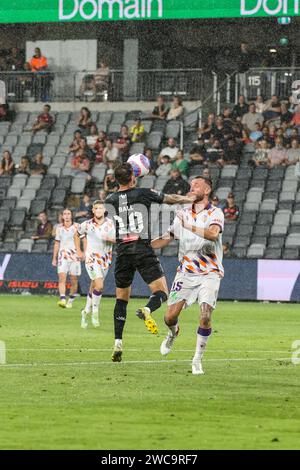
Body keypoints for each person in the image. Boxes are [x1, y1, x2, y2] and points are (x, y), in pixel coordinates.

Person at [105, 163, 197, 362]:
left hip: (122, 252)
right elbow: (170, 199)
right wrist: (190, 199)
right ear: (133, 177)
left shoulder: (108, 200)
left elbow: (120, 200)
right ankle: (147, 309)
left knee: (121, 300)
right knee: (162, 292)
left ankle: (118, 342)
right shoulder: (143, 193)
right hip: (142, 248)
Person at [151, 176, 224, 375]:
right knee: (169, 316)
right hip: (186, 272)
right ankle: (173, 333)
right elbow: (167, 237)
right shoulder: (182, 213)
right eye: (191, 185)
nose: (191, 188)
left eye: (196, 185)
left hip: (210, 272)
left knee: (205, 316)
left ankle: (197, 360)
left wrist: (188, 225)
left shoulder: (215, 212)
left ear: (207, 189)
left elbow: (213, 234)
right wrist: (144, 247)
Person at [74, 200, 115, 329]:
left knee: (94, 286)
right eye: (96, 208)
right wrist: (80, 251)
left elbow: (117, 239)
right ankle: (95, 312)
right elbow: (77, 235)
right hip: (91, 259)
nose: (98, 210)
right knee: (100, 285)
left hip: (105, 260)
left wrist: (109, 239)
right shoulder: (86, 225)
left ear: (104, 210)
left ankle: (85, 311)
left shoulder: (111, 224)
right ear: (93, 210)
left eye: (100, 208)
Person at [52, 208, 81, 309]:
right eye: (65, 214)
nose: (67, 215)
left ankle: (70, 300)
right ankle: (63, 299)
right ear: (62, 216)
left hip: (75, 256)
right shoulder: (59, 229)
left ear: (71, 216)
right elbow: (56, 243)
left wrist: (82, 252)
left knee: (74, 280)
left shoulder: (77, 227)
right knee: (62, 278)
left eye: (68, 214)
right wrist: (54, 258)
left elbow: (84, 239)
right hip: (63, 256)